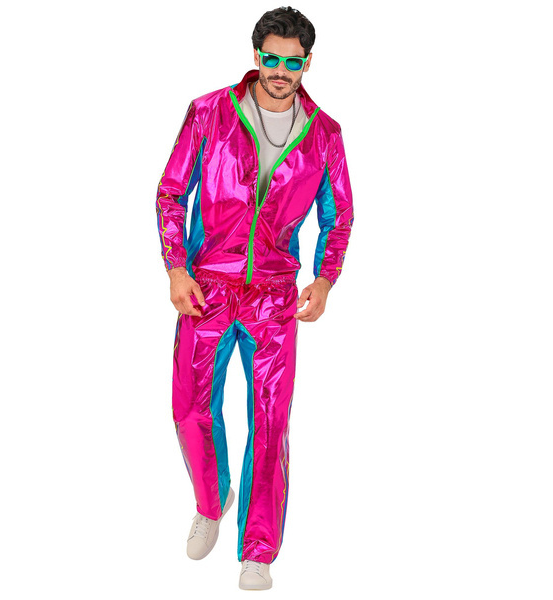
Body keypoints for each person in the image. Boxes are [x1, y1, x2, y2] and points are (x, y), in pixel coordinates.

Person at [155, 6, 354, 591]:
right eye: (271, 58)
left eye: (293, 61)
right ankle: (211, 501)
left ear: (307, 63)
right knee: (190, 410)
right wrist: (176, 268)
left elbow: (339, 216)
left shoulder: (325, 134)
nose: (280, 71)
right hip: (206, 289)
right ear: (256, 56)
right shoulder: (210, 112)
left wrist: (325, 278)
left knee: (269, 422)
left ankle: (258, 548)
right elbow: (171, 193)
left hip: (273, 299)